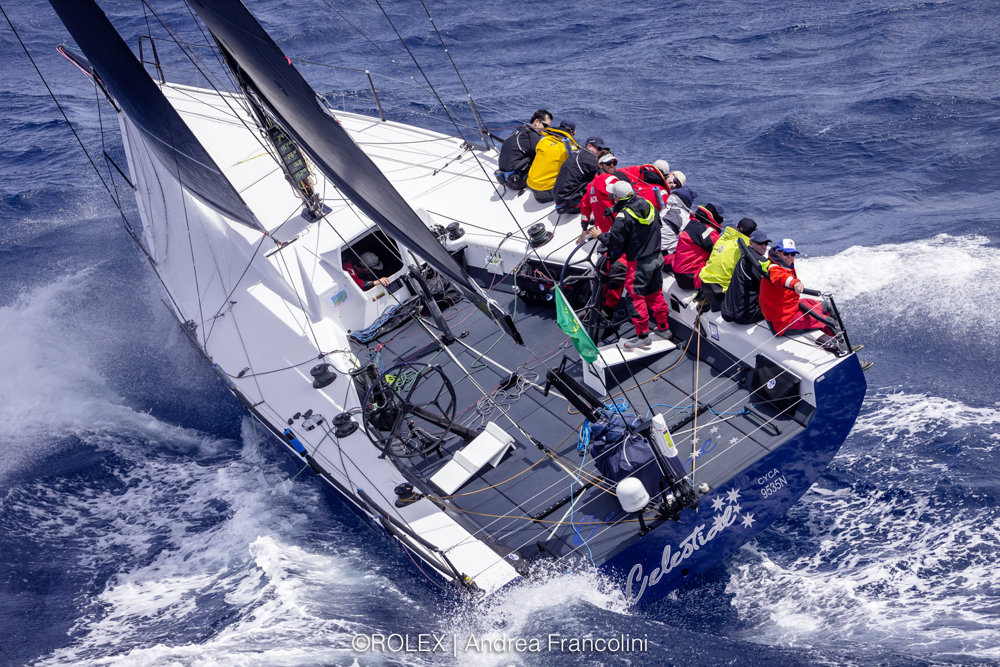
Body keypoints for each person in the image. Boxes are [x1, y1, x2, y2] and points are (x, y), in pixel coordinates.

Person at [588, 181, 672, 350]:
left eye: (614, 196)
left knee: (634, 298)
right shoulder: (648, 205)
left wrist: (599, 236)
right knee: (655, 294)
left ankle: (642, 336)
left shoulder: (623, 217)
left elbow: (614, 244)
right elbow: (651, 226)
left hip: (639, 264)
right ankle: (664, 329)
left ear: (617, 197)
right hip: (657, 258)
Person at [759, 239, 841, 350]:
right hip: (782, 322)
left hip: (791, 307)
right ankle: (843, 349)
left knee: (826, 305)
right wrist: (795, 283)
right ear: (777, 253)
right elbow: (781, 278)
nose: (790, 257)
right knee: (828, 322)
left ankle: (839, 337)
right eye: (786, 253)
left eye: (792, 254)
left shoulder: (785, 263)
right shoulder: (774, 268)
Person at [699, 217, 758, 311]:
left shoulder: (723, 237)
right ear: (751, 235)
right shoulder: (745, 248)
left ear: (736, 226)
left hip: (705, 282)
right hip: (721, 290)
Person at [721, 229, 771, 324]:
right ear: (751, 244)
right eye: (760, 243)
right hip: (744, 315)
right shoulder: (759, 262)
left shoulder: (744, 256)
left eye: (766, 243)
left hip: (727, 311)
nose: (764, 247)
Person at [672, 203, 724, 290]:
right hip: (691, 279)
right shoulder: (709, 232)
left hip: (679, 274)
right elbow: (720, 254)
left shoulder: (693, 222)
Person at [497, 109, 551, 190]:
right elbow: (543, 159)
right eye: (545, 126)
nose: (546, 129)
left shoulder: (520, 130)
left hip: (505, 180)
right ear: (536, 121)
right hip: (517, 182)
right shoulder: (532, 136)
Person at [526, 119, 580, 203]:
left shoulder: (543, 140)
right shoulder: (572, 149)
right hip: (545, 191)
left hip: (530, 184)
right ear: (574, 133)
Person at [553, 136, 606, 214]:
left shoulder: (577, 153)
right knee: (601, 183)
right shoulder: (590, 160)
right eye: (599, 149)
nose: (601, 152)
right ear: (589, 146)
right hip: (570, 205)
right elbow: (606, 176)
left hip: (560, 198)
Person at [578, 151, 621, 242]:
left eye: (614, 163)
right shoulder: (611, 179)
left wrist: (584, 229)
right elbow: (626, 199)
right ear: (600, 165)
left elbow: (585, 207)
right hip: (616, 231)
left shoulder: (590, 186)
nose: (612, 165)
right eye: (608, 163)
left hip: (600, 233)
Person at [659, 172, 695, 273]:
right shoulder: (684, 217)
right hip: (665, 258)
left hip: (653, 252)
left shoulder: (664, 209)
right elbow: (691, 239)